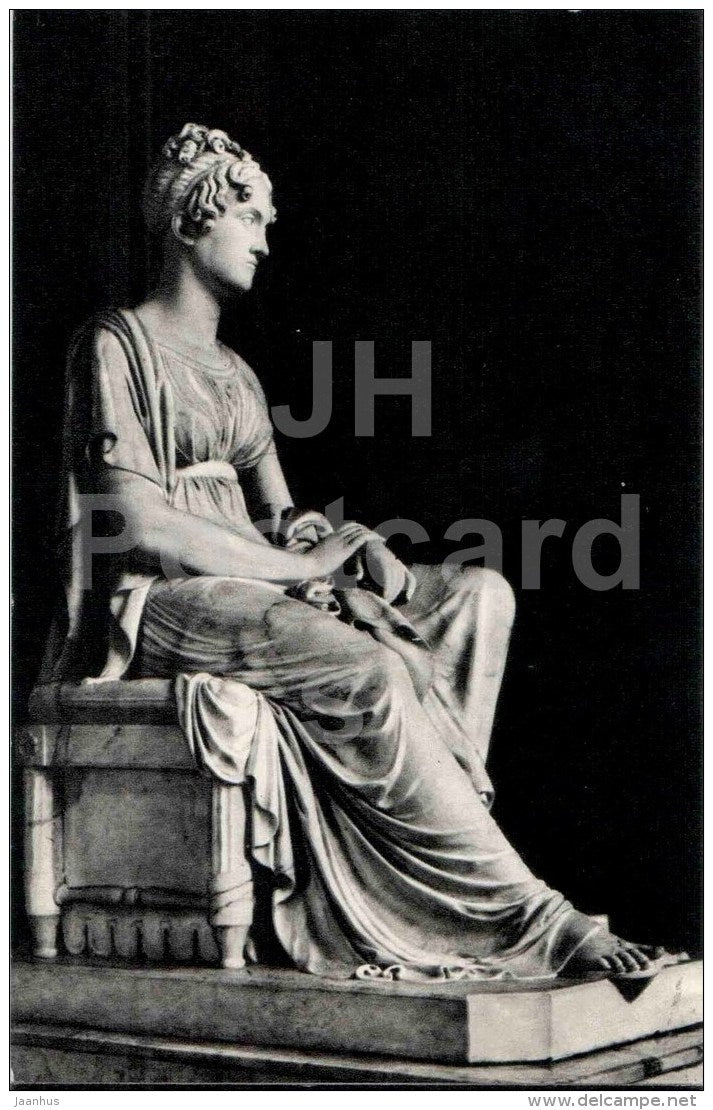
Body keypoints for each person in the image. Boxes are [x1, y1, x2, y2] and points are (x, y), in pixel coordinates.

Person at [49, 123, 670, 981]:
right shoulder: (115, 344)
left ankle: (418, 885)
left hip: (249, 584)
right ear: (193, 219)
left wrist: (342, 548)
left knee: (475, 598)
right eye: (251, 217)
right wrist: (299, 568)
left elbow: (278, 516)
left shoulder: (236, 374)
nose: (266, 242)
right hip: (161, 601)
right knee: (368, 667)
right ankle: (524, 914)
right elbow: (137, 521)